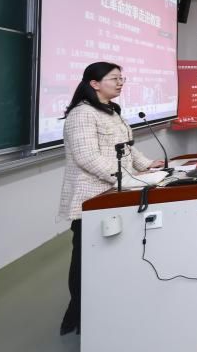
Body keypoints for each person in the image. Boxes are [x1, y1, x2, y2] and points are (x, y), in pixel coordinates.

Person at [59, 62, 164, 335]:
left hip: (117, 192)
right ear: (94, 83)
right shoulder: (82, 114)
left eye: (121, 78)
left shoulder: (112, 111)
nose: (120, 83)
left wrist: (146, 165)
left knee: (111, 255)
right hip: (93, 195)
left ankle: (110, 306)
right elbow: (86, 157)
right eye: (114, 78)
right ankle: (80, 316)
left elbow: (127, 149)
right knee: (86, 259)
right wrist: (124, 178)